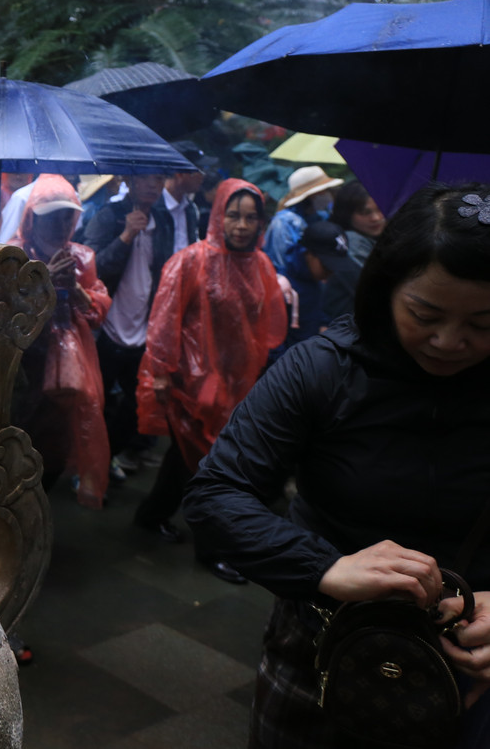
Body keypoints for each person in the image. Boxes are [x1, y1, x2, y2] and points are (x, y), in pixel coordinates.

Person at [184, 182, 490, 749]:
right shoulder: (321, 369)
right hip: (322, 648)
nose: (450, 341)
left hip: (469, 669)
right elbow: (215, 496)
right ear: (385, 289)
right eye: (425, 313)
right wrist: (326, 568)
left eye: (483, 324)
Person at [132, 179, 287, 583]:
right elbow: (164, 320)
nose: (241, 224)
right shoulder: (190, 261)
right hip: (192, 385)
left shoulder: (261, 264)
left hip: (236, 385)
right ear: (218, 214)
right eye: (233, 215)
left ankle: (150, 515)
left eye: (250, 217)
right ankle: (212, 548)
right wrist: (161, 372)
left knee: (187, 460)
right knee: (210, 466)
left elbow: (267, 326)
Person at [6, 175, 112, 508]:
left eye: (68, 215)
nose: (61, 224)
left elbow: (98, 313)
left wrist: (77, 290)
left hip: (70, 367)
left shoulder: (82, 258)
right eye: (52, 215)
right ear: (33, 217)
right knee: (17, 437)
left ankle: (38, 504)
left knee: (58, 441)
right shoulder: (14, 255)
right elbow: (2, 312)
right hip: (23, 365)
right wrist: (42, 282)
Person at [81, 172, 182, 478]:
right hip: (107, 329)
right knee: (96, 404)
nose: (153, 184)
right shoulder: (109, 216)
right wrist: (125, 236)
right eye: (146, 178)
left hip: (145, 332)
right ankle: (85, 468)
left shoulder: (164, 221)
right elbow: (91, 271)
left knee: (137, 404)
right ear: (129, 180)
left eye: (158, 179)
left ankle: (106, 457)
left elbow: (166, 273)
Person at [264, 165, 343, 346]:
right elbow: (281, 266)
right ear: (312, 196)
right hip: (292, 299)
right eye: (324, 191)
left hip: (314, 296)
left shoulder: (318, 217)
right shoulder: (283, 222)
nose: (328, 196)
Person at [301, 220, 361, 324]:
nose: (331, 272)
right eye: (326, 266)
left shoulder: (319, 280)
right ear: (309, 254)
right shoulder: (287, 284)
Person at [329, 178, 386, 265]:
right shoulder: (354, 243)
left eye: (380, 209)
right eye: (364, 212)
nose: (376, 218)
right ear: (346, 214)